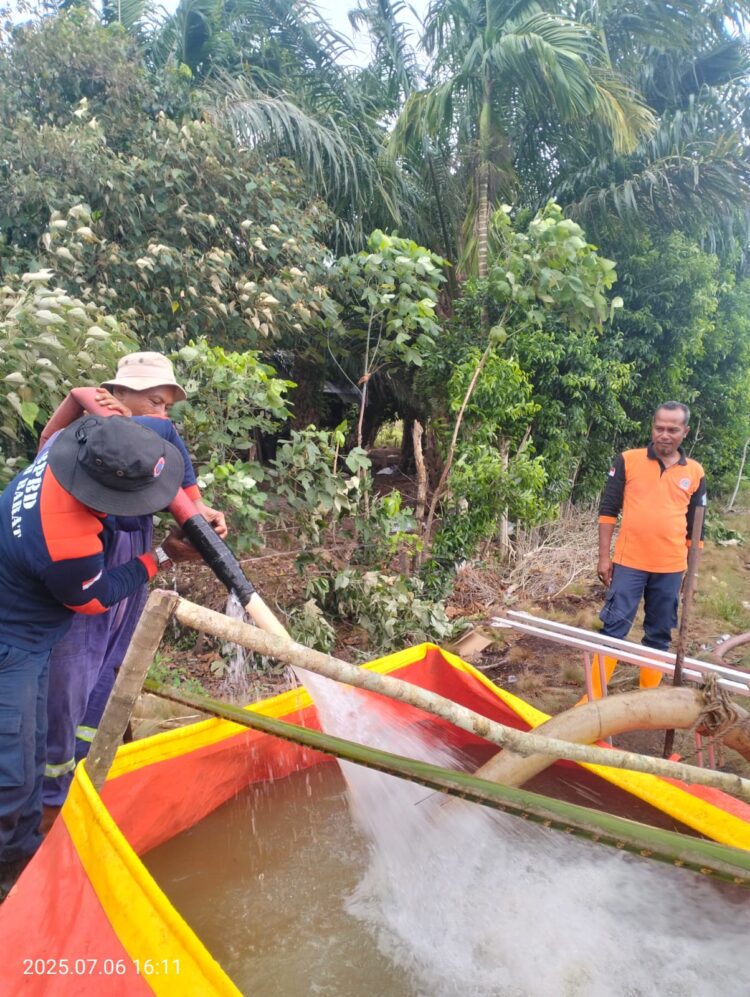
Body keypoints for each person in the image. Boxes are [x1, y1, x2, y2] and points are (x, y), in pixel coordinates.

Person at [0, 416, 186, 901]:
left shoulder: (69, 445)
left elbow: (161, 430)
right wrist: (160, 557)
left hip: (29, 627)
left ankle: (22, 852)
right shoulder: (68, 547)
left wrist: (194, 502)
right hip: (12, 642)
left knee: (36, 748)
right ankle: (7, 877)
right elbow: (97, 595)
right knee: (11, 774)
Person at [40, 353, 227, 823]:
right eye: (155, 402)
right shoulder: (80, 446)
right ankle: (46, 811)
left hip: (124, 593)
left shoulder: (139, 450)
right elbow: (84, 586)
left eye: (167, 409)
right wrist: (163, 554)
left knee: (102, 691)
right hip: (82, 594)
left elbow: (171, 466)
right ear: (116, 396)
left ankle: (84, 788)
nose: (163, 417)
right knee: (66, 698)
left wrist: (198, 512)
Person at [587, 401, 707, 700]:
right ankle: (592, 699)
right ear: (652, 427)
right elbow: (607, 511)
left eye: (672, 429)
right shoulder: (629, 460)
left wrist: (691, 575)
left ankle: (646, 701)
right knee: (614, 626)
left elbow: (696, 530)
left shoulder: (694, 472)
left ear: (685, 432)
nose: (664, 435)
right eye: (659, 428)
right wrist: (604, 557)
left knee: (659, 633)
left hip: (671, 567)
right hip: (629, 563)